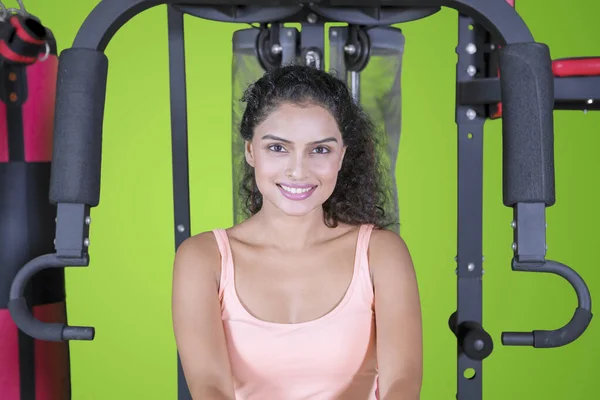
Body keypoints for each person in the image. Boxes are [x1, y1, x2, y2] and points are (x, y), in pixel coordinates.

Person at [171, 65, 423, 400]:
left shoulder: (382, 253)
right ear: (250, 151)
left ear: (341, 156)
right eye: (278, 147)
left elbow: (402, 383)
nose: (298, 170)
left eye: (320, 149)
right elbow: (209, 387)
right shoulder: (203, 258)